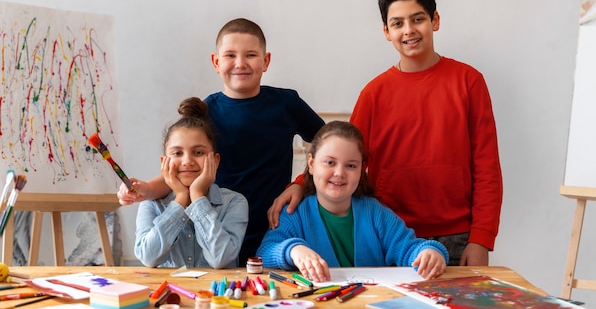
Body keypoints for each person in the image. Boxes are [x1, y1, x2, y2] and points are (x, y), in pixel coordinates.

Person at [269, 0, 503, 266]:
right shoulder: (374, 93)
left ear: (435, 20)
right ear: (386, 31)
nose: (408, 30)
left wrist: (481, 238)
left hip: (457, 236)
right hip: (389, 235)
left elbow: (487, 168)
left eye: (417, 19)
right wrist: (301, 183)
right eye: (397, 23)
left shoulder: (469, 83)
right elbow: (343, 152)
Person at [120, 18, 325, 265]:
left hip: (273, 231)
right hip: (216, 234)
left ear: (266, 61)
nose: (240, 63)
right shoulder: (204, 112)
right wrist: (144, 189)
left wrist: (302, 183)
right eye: (230, 55)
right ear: (216, 62)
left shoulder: (287, 104)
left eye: (250, 54)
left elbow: (329, 146)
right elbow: (182, 170)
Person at [258, 121, 448, 282]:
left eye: (350, 165)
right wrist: (294, 250)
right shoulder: (295, 213)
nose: (339, 173)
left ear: (361, 169)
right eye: (330, 162)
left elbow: (409, 249)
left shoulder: (376, 213)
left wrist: (429, 253)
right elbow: (265, 253)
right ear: (311, 163)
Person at [134, 97, 248, 268]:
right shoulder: (151, 204)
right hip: (170, 293)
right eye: (177, 153)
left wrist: (197, 197)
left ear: (215, 161)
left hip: (217, 294)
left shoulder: (234, 202)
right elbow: (148, 257)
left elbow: (221, 259)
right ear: (164, 162)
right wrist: (180, 199)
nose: (187, 161)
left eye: (198, 152)